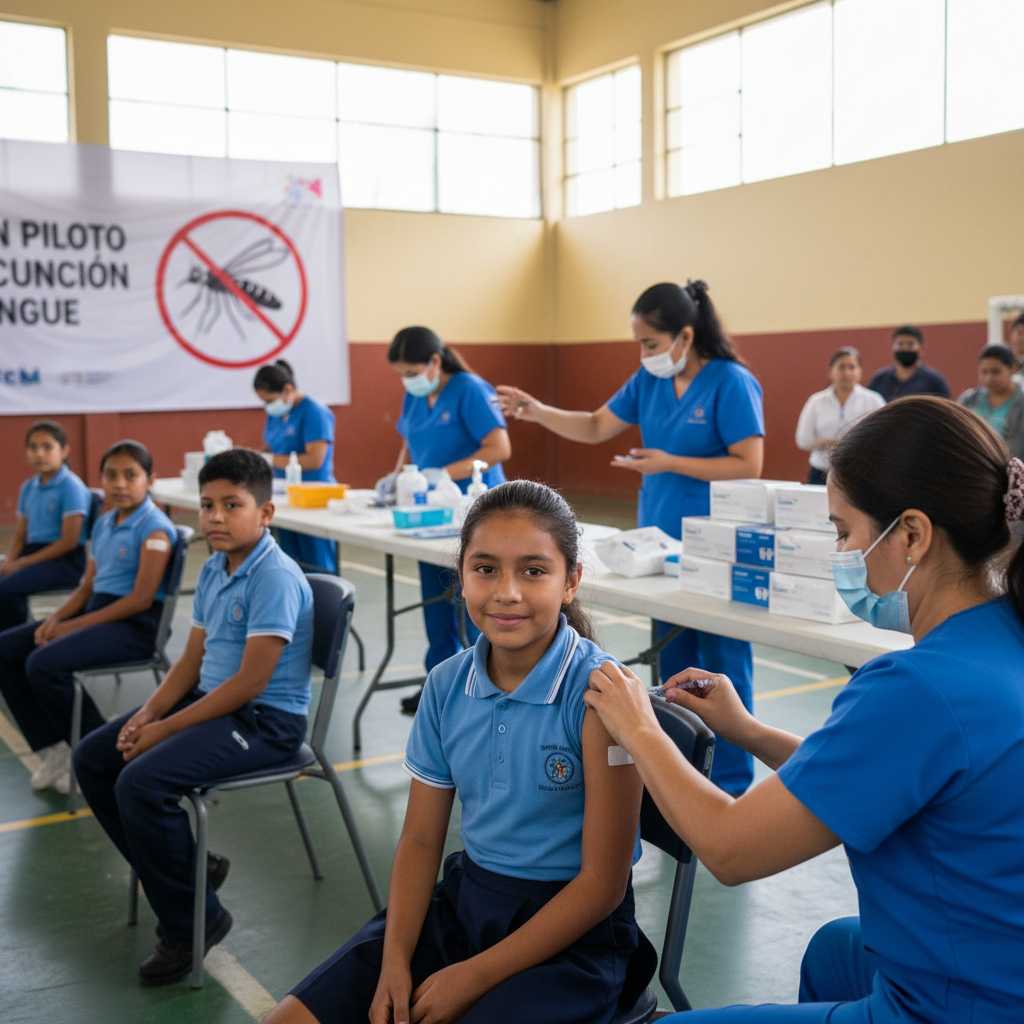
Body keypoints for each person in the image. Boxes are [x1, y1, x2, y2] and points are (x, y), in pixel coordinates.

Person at [584, 396, 1024, 1023]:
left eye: (844, 532)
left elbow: (731, 850)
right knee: (833, 950)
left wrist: (637, 723)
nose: (838, 552)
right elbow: (880, 778)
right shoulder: (1002, 633)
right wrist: (750, 732)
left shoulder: (917, 687)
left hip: (962, 1006)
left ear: (913, 535)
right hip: (1000, 961)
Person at [264, 480, 654, 1024]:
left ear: (572, 582)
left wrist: (474, 974)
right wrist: (395, 960)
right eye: (486, 568)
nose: (507, 591)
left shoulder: (600, 696)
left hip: (575, 936)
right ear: (462, 577)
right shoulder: (447, 684)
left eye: (534, 571)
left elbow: (602, 884)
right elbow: (422, 840)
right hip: (467, 903)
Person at [497, 280, 763, 795]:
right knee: (675, 662)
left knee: (723, 663)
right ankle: (679, 773)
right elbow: (597, 425)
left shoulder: (731, 382)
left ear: (684, 336)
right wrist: (537, 410)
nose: (644, 354)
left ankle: (730, 784)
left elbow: (748, 462)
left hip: (717, 546)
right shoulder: (648, 381)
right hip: (659, 545)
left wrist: (668, 462)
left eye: (649, 344)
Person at [73, 448, 314, 986]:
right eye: (208, 506)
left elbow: (251, 683)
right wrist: (149, 711)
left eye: (233, 505)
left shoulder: (273, 576)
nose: (217, 518)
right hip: (214, 701)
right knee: (95, 756)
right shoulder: (213, 566)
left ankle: (193, 924)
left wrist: (165, 729)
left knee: (139, 783)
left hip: (265, 721)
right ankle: (192, 869)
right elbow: (191, 659)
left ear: (266, 513)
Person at [0, 440, 173, 796]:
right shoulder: (106, 522)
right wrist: (56, 619)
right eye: (111, 475)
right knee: (6, 648)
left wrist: (71, 627)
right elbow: (86, 586)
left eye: (130, 475)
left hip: (135, 627)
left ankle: (102, 752)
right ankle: (59, 743)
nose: (120, 484)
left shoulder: (155, 528)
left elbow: (141, 600)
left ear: (150, 480)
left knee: (42, 665)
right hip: (98, 612)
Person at [388, 326, 511, 713]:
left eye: (411, 371)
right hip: (430, 514)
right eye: (401, 374)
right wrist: (399, 477)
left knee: (476, 602)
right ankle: (439, 688)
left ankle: (488, 690)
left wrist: (442, 474)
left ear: (435, 362)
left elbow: (499, 446)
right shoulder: (415, 395)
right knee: (435, 602)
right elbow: (411, 441)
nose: (406, 380)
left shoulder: (470, 388)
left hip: (476, 510)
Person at [0, 420, 93, 632]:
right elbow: (20, 535)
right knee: (5, 578)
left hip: (64, 562)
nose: (39, 454)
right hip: (33, 555)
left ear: (64, 450)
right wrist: (10, 561)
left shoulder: (71, 486)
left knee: (5, 590)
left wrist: (21, 564)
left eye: (47, 447)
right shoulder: (28, 487)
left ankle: (11, 645)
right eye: (33, 448)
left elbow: (69, 542)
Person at [254, 359, 338, 573]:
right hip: (285, 495)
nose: (268, 406)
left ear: (288, 390)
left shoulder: (314, 412)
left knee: (317, 561)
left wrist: (271, 460)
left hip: (315, 496)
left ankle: (327, 603)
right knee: (290, 560)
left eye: (270, 400)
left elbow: (314, 459)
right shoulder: (275, 414)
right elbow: (268, 447)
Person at [795, 347, 884, 484]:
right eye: (841, 367)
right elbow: (803, 440)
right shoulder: (816, 401)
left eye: (852, 367)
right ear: (831, 372)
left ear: (860, 372)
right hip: (821, 473)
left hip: (861, 473)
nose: (846, 373)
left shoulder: (874, 401)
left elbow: (884, 436)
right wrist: (827, 443)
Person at [958, 344, 1024, 459]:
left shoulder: (1021, 403)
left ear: (1012, 369)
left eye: (995, 372)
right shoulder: (969, 399)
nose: (988, 378)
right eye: (984, 372)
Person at [867, 325, 951, 401]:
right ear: (893, 347)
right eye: (900, 344)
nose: (905, 348)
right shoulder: (879, 379)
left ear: (920, 348)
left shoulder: (934, 381)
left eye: (910, 344)